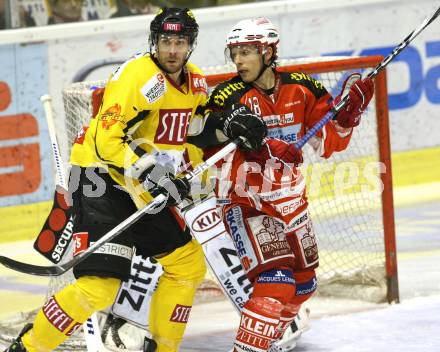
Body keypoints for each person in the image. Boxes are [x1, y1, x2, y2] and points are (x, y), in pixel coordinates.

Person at [4, 8, 266, 352]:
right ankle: (29, 347)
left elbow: (195, 130)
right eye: (166, 41)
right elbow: (107, 140)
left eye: (180, 42)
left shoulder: (195, 81)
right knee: (99, 287)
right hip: (100, 179)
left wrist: (229, 127)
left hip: (142, 189)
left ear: (191, 45)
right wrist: (155, 174)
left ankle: (162, 348)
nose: (172, 50)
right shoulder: (136, 77)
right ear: (154, 42)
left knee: (186, 267)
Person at [189, 17, 374, 352]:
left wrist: (349, 116)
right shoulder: (229, 95)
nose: (238, 61)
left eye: (246, 52)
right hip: (247, 203)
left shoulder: (305, 88)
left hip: (292, 203)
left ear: (268, 51)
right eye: (235, 53)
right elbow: (200, 133)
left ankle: (268, 339)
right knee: (275, 283)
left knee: (303, 285)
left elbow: (329, 142)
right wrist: (247, 139)